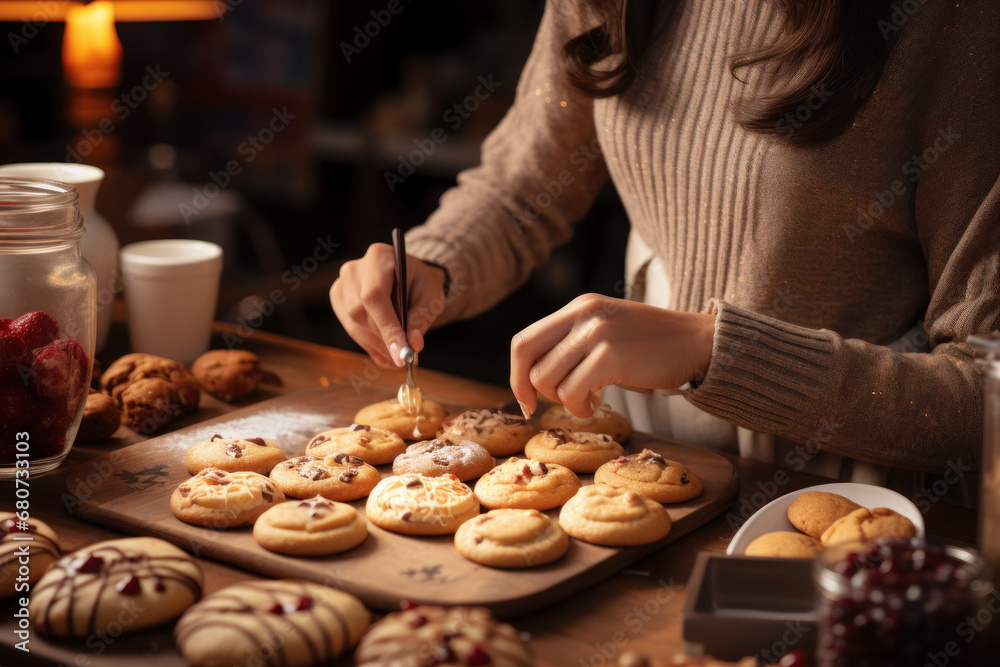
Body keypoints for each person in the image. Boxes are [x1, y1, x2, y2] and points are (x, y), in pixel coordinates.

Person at [330, 0, 1000, 494]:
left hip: (845, 493)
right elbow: (523, 189)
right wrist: (433, 259)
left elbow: (985, 387)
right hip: (634, 459)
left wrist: (721, 353)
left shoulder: (954, 25)